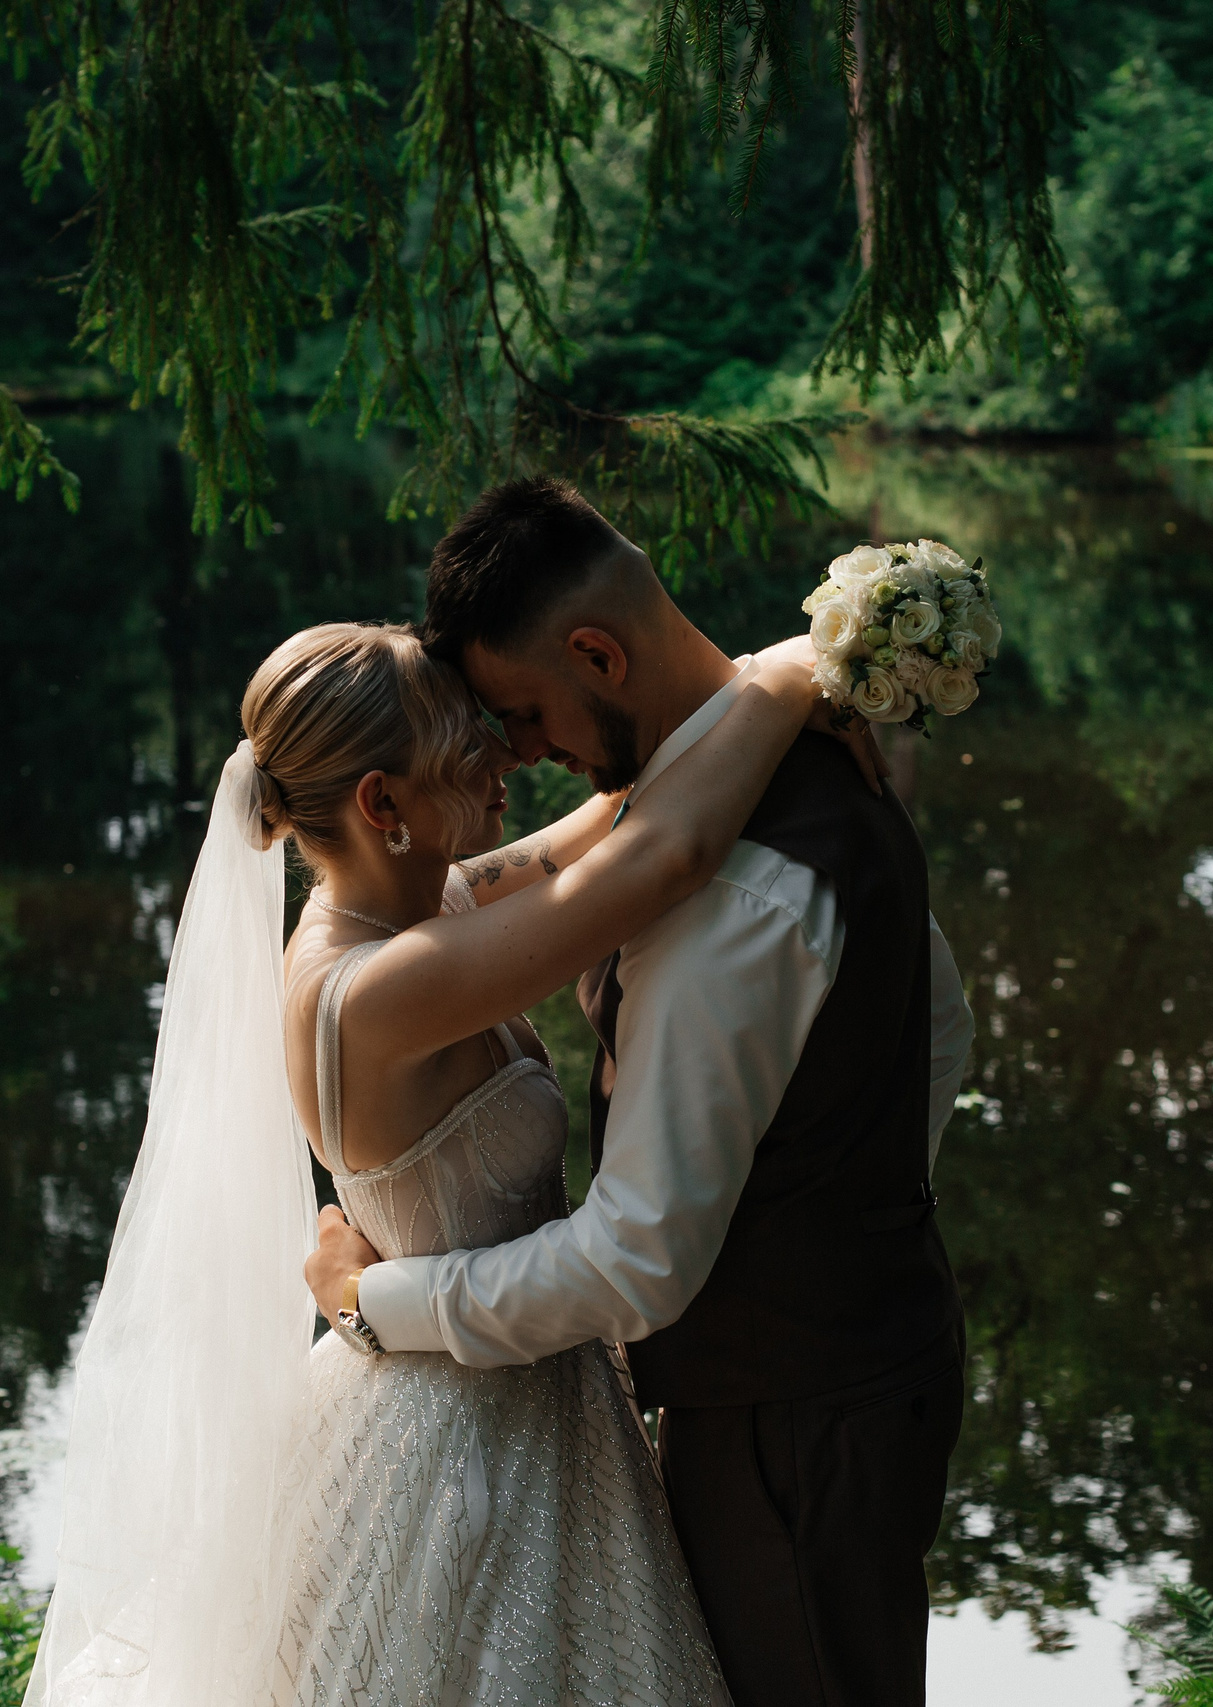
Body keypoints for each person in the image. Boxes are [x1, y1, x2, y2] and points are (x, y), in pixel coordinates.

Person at [25, 615, 873, 1707]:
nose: (506, 763)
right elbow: (667, 857)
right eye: (469, 754)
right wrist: (805, 669)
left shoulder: (433, 910)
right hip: (450, 1438)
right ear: (384, 806)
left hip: (523, 1390)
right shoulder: (374, 993)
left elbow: (619, 815)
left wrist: (769, 669)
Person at [305, 477, 976, 1707]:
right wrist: (853, 1206)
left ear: (597, 652)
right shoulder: (829, 787)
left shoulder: (726, 898)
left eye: (521, 713)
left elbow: (633, 1263)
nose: (517, 755)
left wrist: (373, 1304)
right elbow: (942, 1031)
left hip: (790, 1413)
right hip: (864, 1360)